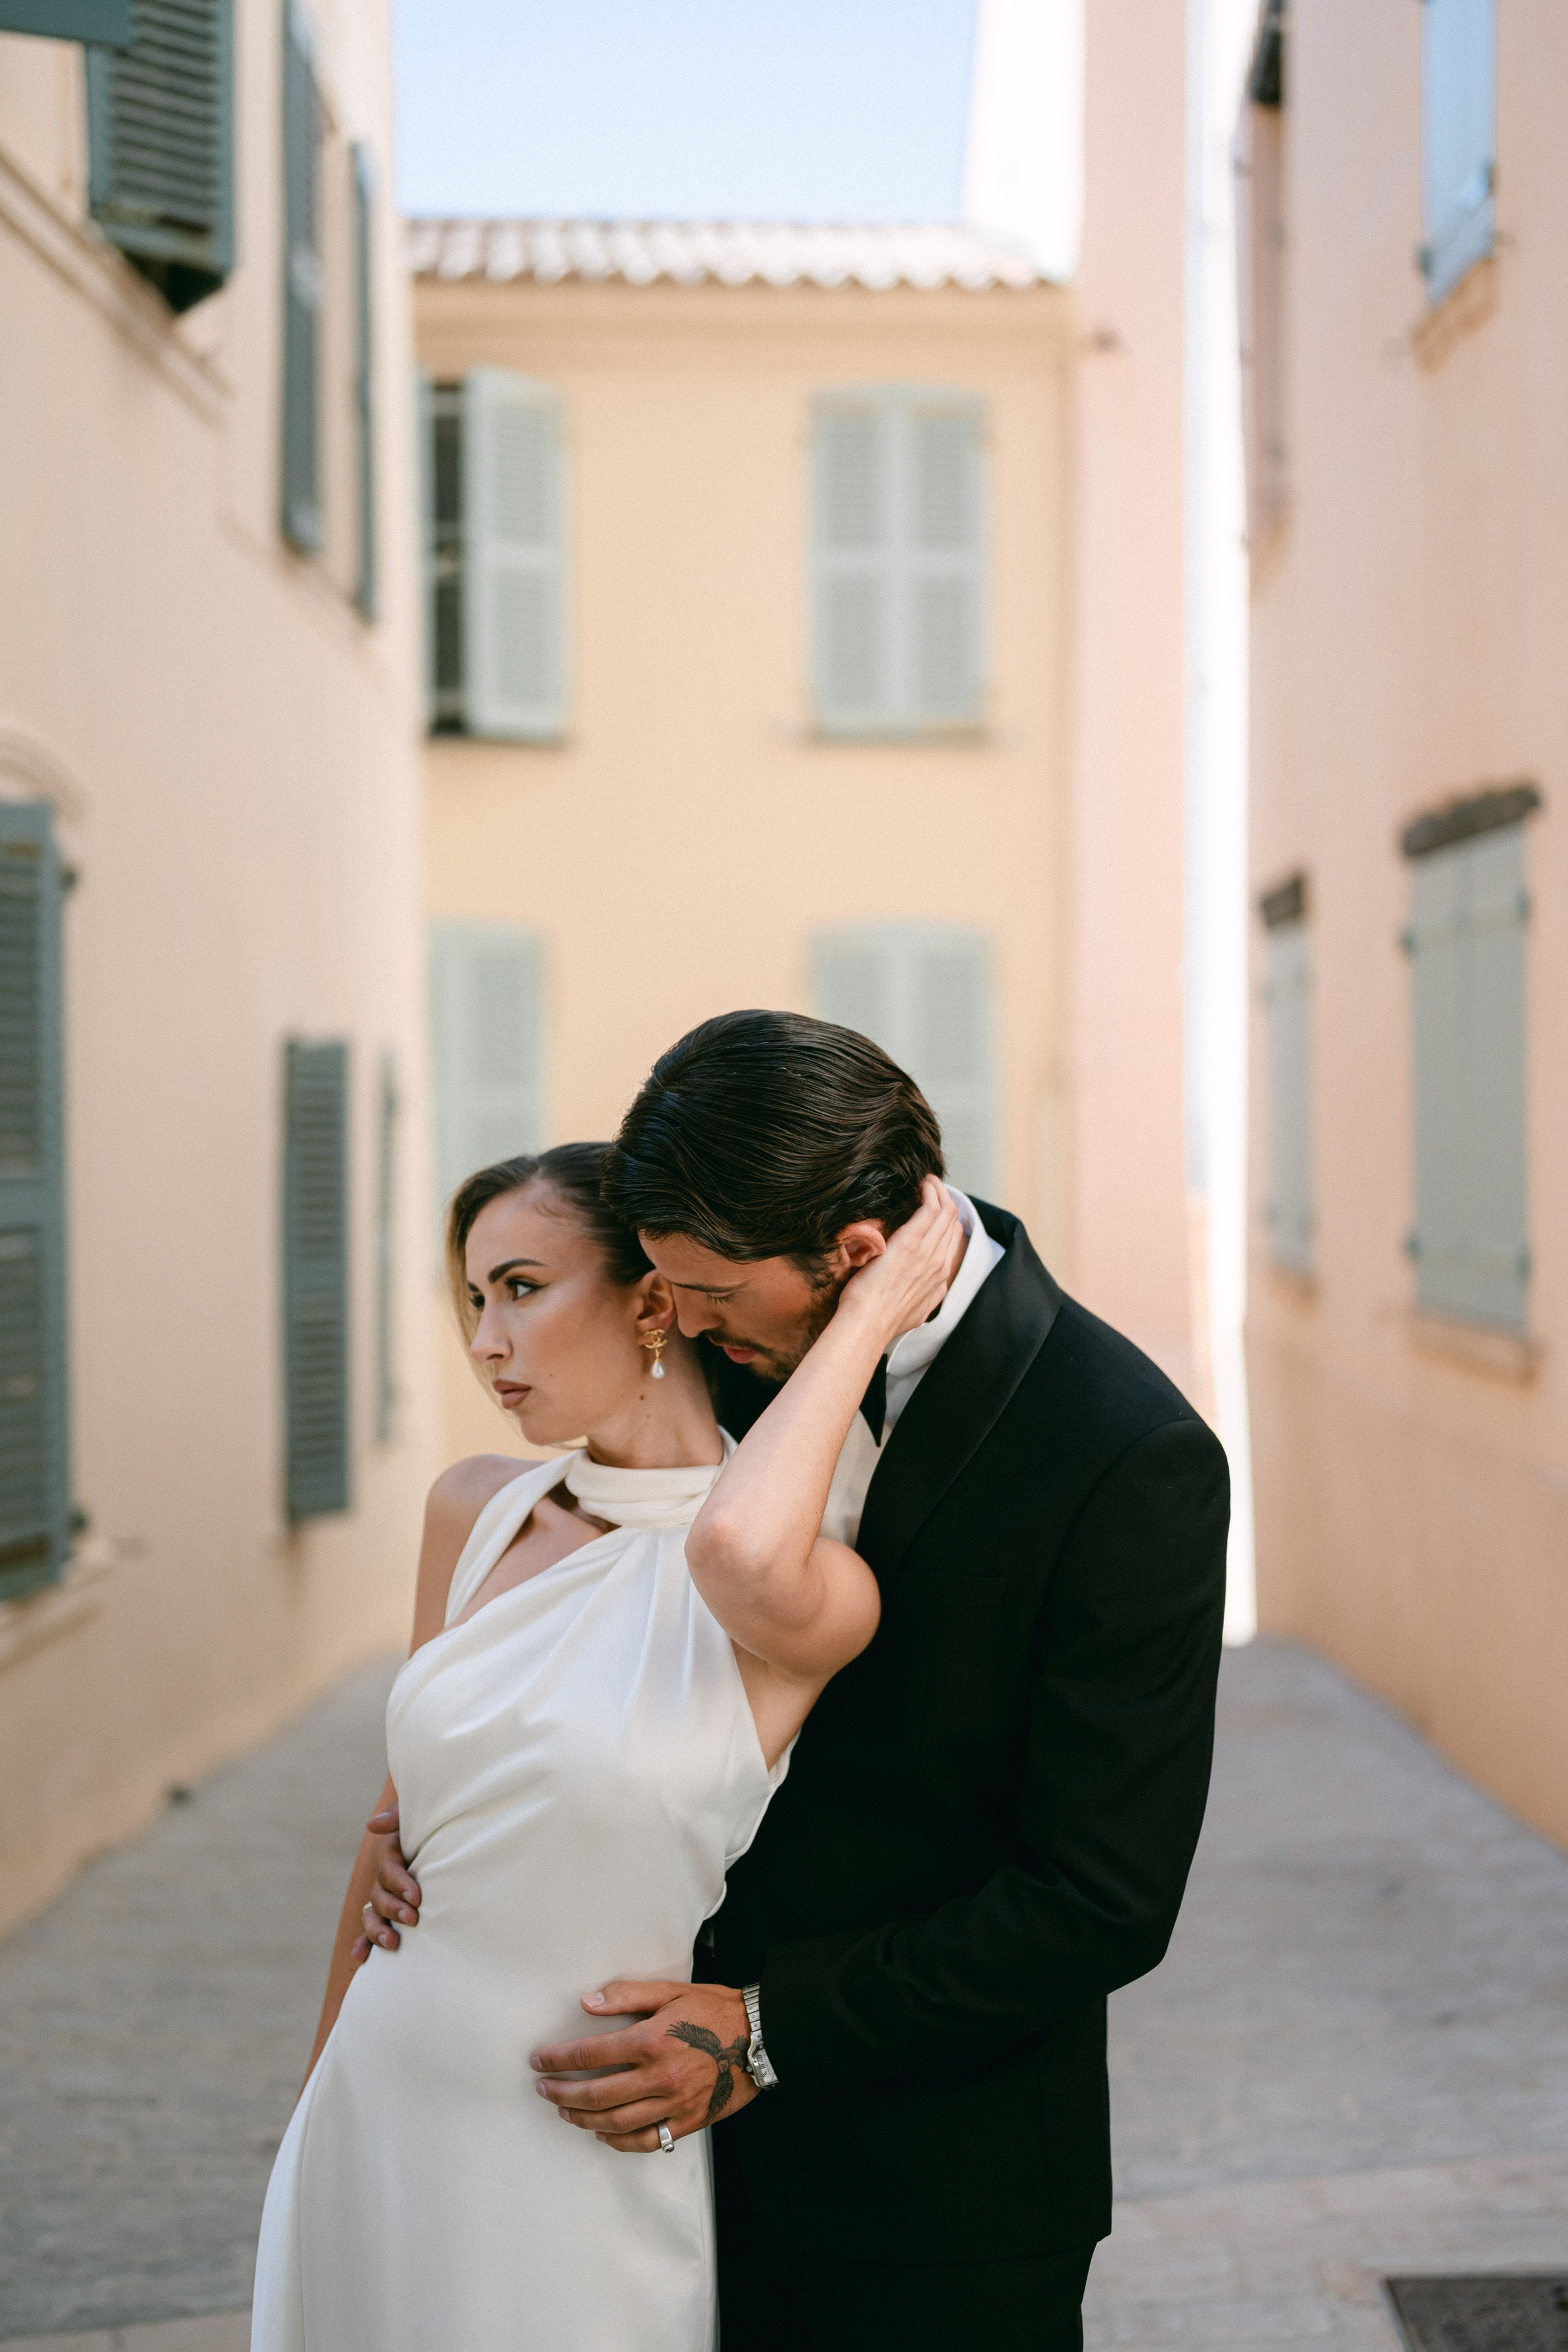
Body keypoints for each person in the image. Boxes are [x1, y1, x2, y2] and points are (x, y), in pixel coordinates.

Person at [362, 1014, 1229, 2352]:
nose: (678, 1323)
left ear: (856, 1255)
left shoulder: (1123, 1453)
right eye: (661, 1287)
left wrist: (765, 2030)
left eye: (705, 1294)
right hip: (621, 2165)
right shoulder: (724, 1331)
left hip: (925, 2194)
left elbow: (1099, 1902)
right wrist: (434, 1798)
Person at [250, 1138, 956, 2352]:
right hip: (380, 2114)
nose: (485, 1341)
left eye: (521, 1288)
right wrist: (313, 2112)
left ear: (651, 1301)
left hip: (581, 2153)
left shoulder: (807, 1590)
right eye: (474, 1299)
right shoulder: (473, 1511)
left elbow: (731, 1546)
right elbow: (391, 1838)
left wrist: (871, 1311)